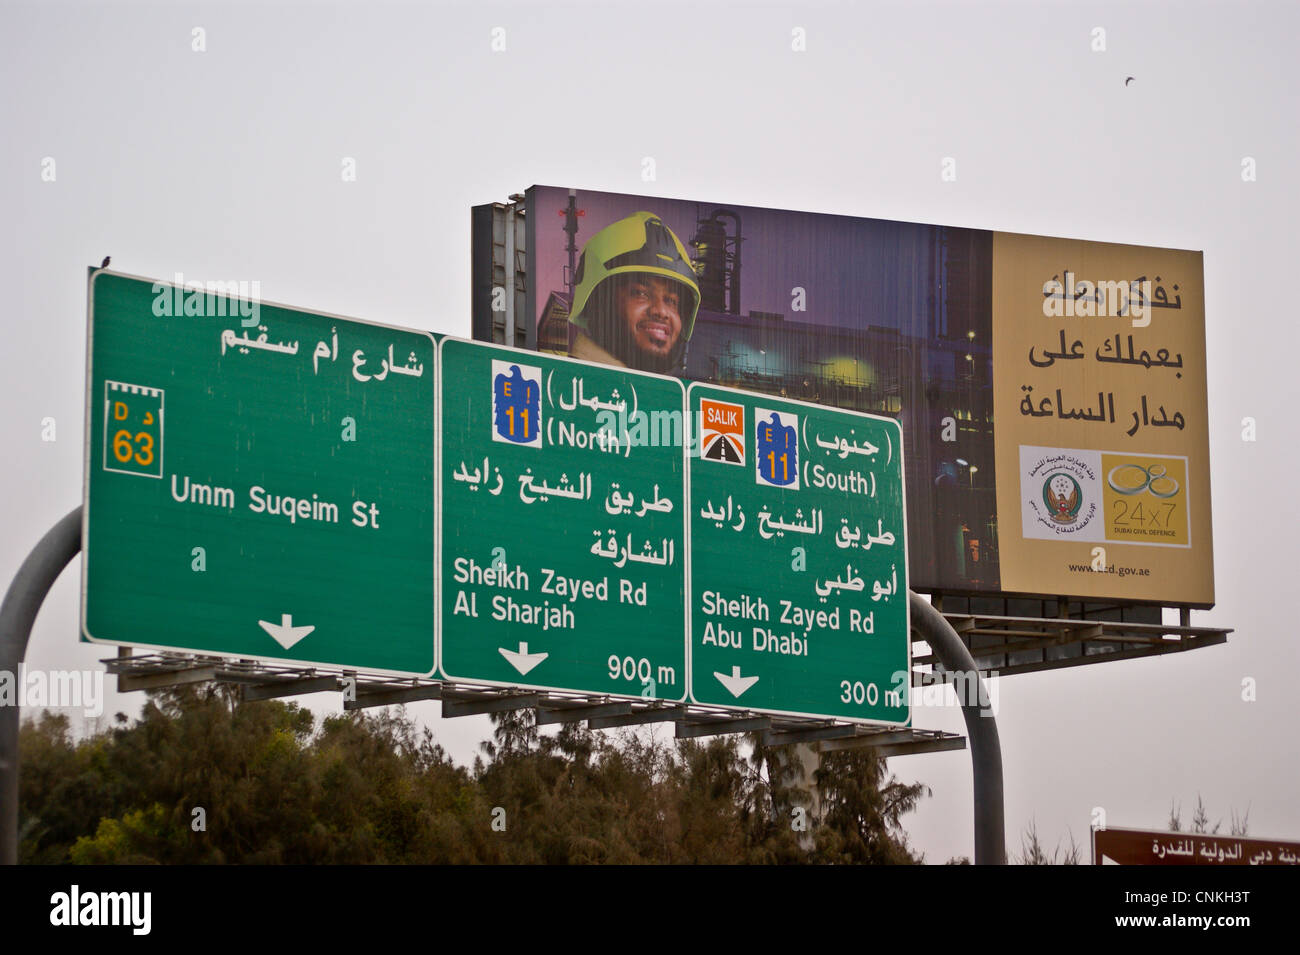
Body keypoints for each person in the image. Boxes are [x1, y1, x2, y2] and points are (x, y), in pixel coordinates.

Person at [568, 211, 700, 374]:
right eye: (640, 293)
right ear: (598, 303)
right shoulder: (570, 384)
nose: (661, 311)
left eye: (671, 301)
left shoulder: (652, 393)